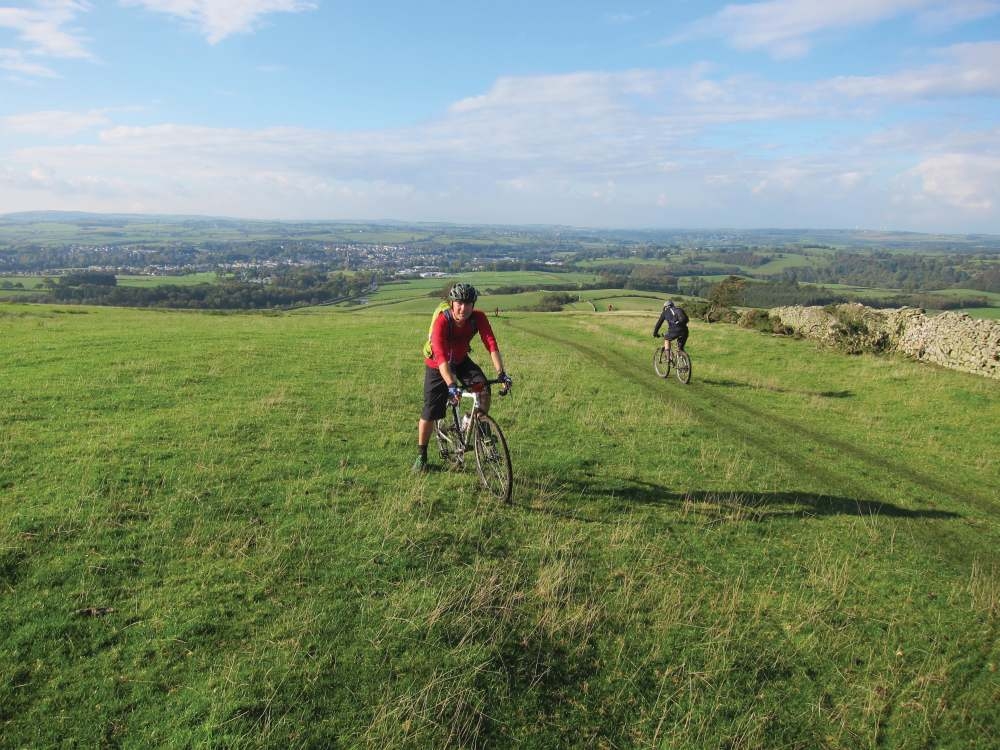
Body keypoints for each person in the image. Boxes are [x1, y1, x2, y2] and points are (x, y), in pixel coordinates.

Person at [414, 283, 512, 472]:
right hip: (437, 364)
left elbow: (490, 342)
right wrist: (451, 385)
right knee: (430, 411)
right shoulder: (442, 321)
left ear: (473, 305)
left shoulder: (478, 318)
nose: (463, 308)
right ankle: (421, 457)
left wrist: (501, 373)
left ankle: (475, 422)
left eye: (468, 304)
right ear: (452, 303)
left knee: (483, 388)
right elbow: (441, 357)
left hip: (460, 359)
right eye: (459, 303)